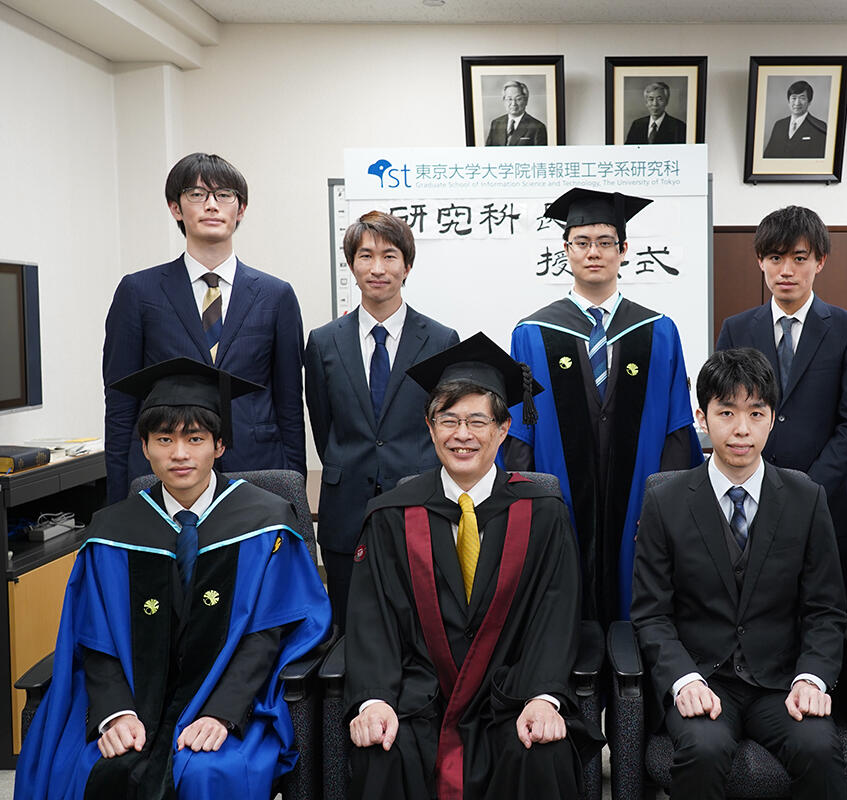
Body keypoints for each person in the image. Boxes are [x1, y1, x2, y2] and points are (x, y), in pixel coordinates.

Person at [17, 357, 330, 800]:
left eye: (195, 439)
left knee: (207, 771)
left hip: (231, 703)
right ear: (144, 447)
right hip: (132, 703)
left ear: (219, 446)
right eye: (164, 439)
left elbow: (268, 634)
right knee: (103, 768)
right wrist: (114, 714)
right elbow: (95, 639)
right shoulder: (111, 533)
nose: (179, 454)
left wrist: (223, 713)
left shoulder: (266, 524)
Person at [344, 333, 603, 800]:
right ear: (430, 427)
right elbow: (371, 620)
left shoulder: (542, 514)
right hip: (416, 703)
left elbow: (556, 614)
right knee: (382, 747)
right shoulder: (390, 517)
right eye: (449, 420)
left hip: (510, 700)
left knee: (541, 748)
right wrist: (375, 699)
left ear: (503, 430)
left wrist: (543, 698)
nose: (462, 435)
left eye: (477, 421)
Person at [631, 348, 847, 799]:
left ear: (773, 419)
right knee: (702, 751)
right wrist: (683, 679)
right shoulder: (665, 501)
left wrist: (811, 677)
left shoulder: (806, 498)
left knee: (820, 747)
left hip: (780, 681)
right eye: (726, 412)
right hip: (703, 678)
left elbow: (825, 609)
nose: (741, 429)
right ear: (702, 418)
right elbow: (651, 614)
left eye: (756, 413)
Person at [505, 187, 702, 626]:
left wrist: (664, 508)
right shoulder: (532, 333)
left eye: (605, 242)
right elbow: (520, 434)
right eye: (582, 242)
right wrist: (529, 509)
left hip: (638, 506)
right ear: (565, 250)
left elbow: (676, 428)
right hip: (560, 505)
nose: (593, 252)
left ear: (624, 250)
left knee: (640, 613)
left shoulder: (659, 332)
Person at [103, 152, 305, 504]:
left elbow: (289, 403)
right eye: (197, 194)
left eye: (224, 195)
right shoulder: (139, 291)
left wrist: (293, 484)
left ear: (240, 209)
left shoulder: (276, 295)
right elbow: (120, 404)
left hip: (257, 468)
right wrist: (120, 498)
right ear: (176, 208)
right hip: (166, 472)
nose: (212, 205)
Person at [304, 211, 459, 632]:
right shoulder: (323, 341)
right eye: (365, 255)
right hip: (345, 509)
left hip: (419, 502)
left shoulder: (441, 340)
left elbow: (445, 424)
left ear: (407, 266)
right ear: (351, 264)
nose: (377, 268)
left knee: (421, 626)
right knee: (350, 629)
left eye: (389, 256)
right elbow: (324, 425)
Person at [715, 206, 847, 587]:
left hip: (825, 504)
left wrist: (807, 490)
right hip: (748, 502)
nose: (786, 270)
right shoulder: (736, 329)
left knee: (822, 618)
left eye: (799, 258)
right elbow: (723, 409)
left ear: (820, 261)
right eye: (775, 258)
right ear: (760, 261)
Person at [763, 80, 827, 158]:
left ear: (809, 102)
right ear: (788, 101)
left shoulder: (820, 127)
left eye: (802, 98)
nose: (797, 103)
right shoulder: (779, 125)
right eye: (794, 98)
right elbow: (768, 155)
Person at [485, 80, 548, 146]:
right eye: (509, 99)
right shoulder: (496, 123)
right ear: (504, 101)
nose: (513, 104)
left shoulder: (538, 127)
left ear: (526, 101)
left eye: (518, 99)